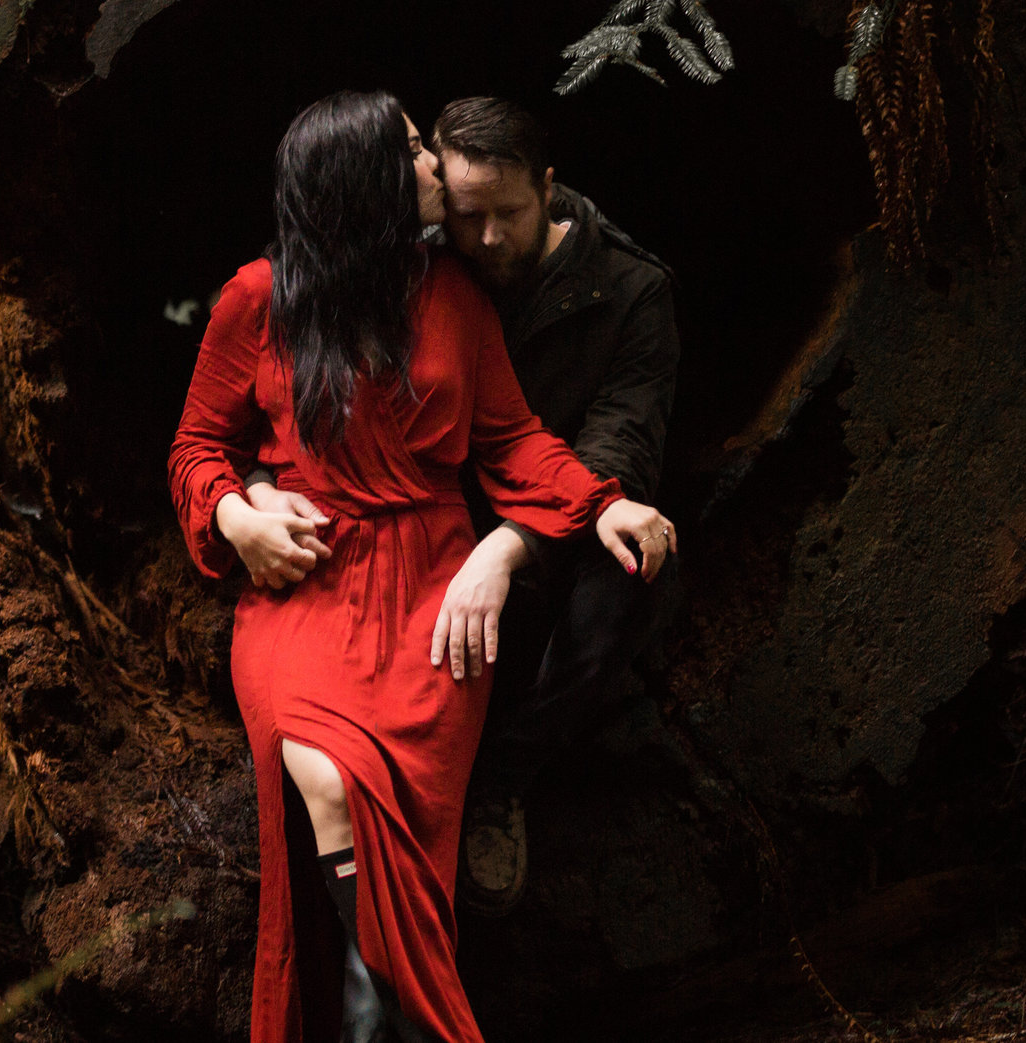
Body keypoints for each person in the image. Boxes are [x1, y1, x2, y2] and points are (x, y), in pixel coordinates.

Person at [169, 91, 675, 1043]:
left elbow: (514, 438)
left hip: (431, 596)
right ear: (366, 183)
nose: (436, 165)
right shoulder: (257, 298)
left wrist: (604, 502)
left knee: (394, 812)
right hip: (307, 587)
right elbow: (196, 442)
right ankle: (434, 1024)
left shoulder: (454, 295)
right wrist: (237, 512)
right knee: (324, 773)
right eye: (413, 152)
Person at [421, 96, 682, 916]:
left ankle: (501, 779)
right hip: (432, 526)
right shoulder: (425, 268)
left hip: (557, 535)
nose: (489, 237)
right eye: (469, 216)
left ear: (550, 188)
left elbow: (621, 449)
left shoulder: (630, 289)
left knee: (636, 570)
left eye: (510, 212)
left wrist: (508, 548)